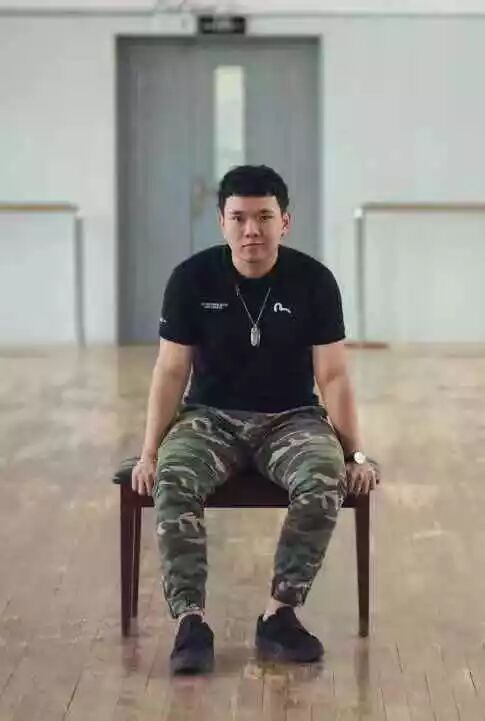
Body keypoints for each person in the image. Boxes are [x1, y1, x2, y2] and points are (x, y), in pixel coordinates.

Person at [131, 164, 378, 674]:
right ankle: (190, 621)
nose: (252, 230)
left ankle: (279, 615)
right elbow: (171, 370)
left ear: (284, 222)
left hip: (291, 418)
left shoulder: (314, 281)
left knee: (323, 475)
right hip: (210, 418)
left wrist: (354, 454)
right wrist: (149, 453)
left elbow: (333, 375)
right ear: (221, 222)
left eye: (264, 217)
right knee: (173, 478)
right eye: (239, 217)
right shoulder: (191, 279)